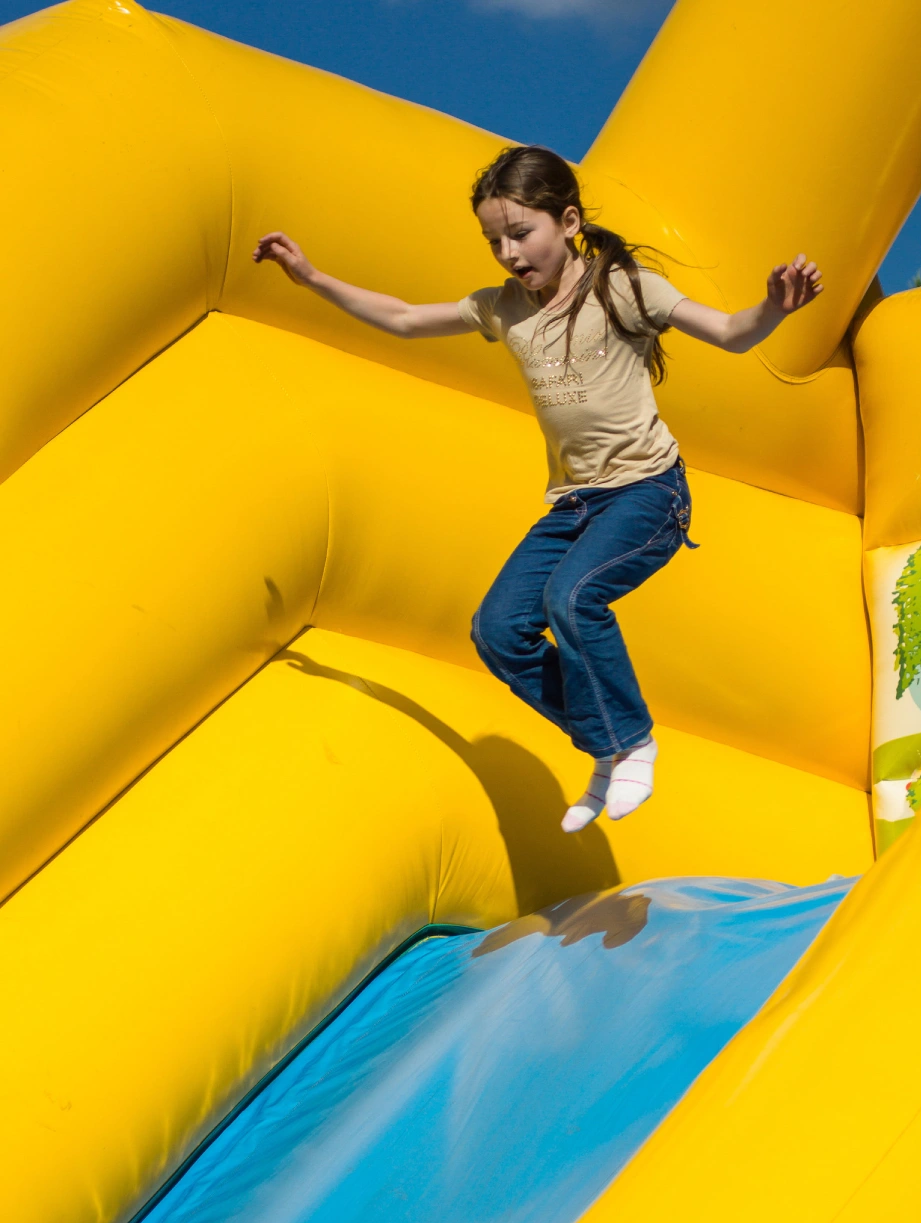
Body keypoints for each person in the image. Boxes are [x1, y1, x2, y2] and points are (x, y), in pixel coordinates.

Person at [253, 144, 822, 832]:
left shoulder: (624, 288)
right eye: (494, 240)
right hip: (575, 504)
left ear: (569, 221)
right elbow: (404, 318)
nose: (508, 253)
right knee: (498, 631)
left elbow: (732, 334)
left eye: (521, 234)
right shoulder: (503, 308)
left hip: (648, 492)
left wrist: (774, 307)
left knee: (573, 597)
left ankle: (632, 738)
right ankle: (606, 746)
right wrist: (312, 278)